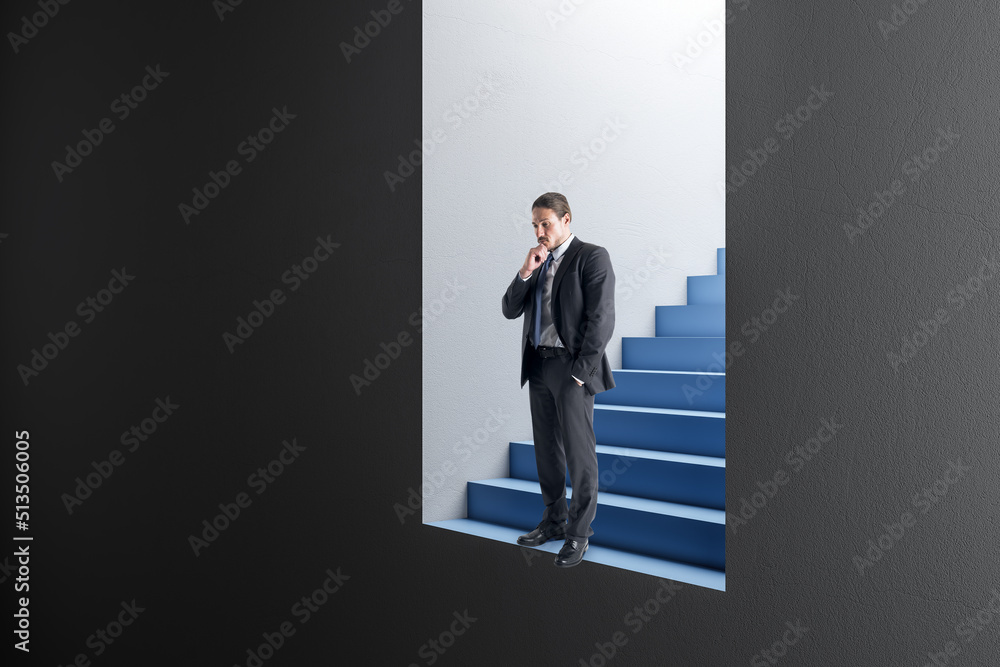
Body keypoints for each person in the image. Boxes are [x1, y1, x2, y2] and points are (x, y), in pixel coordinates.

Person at [501, 192, 616, 568]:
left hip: (571, 369)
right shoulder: (538, 261)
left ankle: (579, 534)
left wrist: (581, 375)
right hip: (537, 365)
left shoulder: (591, 256)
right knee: (546, 450)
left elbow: (601, 320)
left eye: (545, 223)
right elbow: (509, 308)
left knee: (580, 455)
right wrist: (525, 271)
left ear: (566, 220)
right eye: (534, 224)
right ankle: (553, 521)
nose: (539, 231)